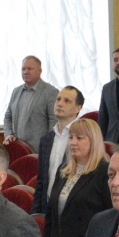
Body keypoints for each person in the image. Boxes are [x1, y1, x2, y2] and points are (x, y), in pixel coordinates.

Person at [41, 118, 111, 237]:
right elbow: (51, 215)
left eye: (80, 138)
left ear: (93, 141)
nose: (73, 142)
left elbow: (111, 217)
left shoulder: (104, 172)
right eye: (71, 137)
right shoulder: (64, 171)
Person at [32, 86, 84, 215]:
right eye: (58, 99)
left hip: (72, 210)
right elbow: (41, 181)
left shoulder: (83, 138)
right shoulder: (46, 139)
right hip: (47, 208)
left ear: (78, 108)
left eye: (67, 101)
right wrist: (35, 214)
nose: (60, 104)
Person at [2, 56, 58, 146]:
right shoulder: (16, 91)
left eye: (30, 69)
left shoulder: (51, 92)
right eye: (23, 69)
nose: (26, 72)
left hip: (39, 148)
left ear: (40, 71)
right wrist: (9, 134)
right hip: (17, 147)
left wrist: (48, 145)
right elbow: (8, 116)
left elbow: (54, 121)